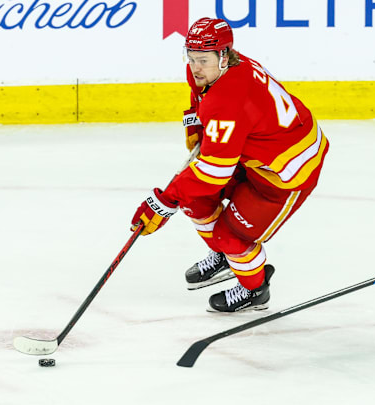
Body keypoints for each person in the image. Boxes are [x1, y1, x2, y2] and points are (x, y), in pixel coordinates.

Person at [130, 17, 329, 312]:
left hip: (286, 171)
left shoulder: (229, 100)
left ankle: (255, 289)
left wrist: (164, 200)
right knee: (195, 201)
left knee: (228, 234)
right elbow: (199, 97)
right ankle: (226, 257)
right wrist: (196, 122)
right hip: (250, 149)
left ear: (224, 56)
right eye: (191, 57)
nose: (195, 67)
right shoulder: (215, 69)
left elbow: (213, 172)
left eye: (203, 60)